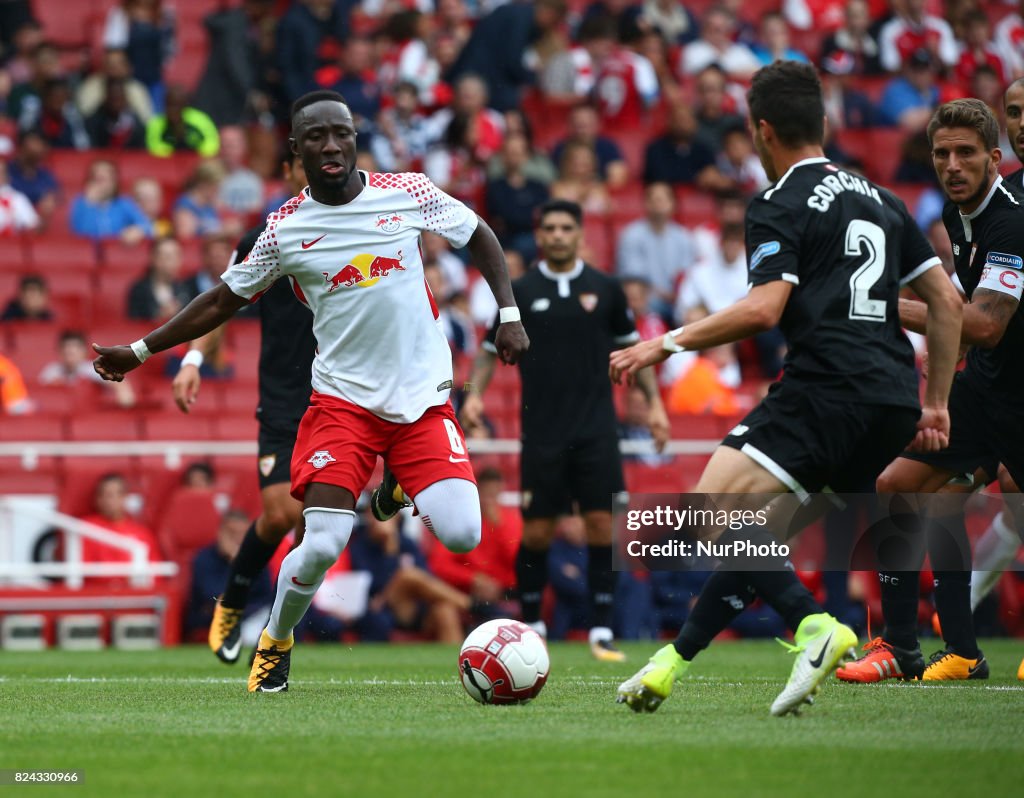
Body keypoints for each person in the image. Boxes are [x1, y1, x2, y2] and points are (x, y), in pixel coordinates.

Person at [93, 90, 529, 693]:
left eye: (341, 133)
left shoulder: (409, 192)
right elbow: (222, 300)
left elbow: (478, 232)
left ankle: (396, 484)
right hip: (342, 404)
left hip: (421, 400)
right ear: (296, 150)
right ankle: (275, 639)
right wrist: (142, 351)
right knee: (321, 541)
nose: (332, 145)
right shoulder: (285, 231)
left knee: (463, 534)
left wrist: (507, 310)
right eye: (317, 137)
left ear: (355, 138)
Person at [610, 61, 962, 716]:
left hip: (826, 389)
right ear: (823, 124)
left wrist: (665, 342)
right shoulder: (885, 199)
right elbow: (944, 303)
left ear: (762, 131)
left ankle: (815, 627)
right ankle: (670, 661)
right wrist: (936, 402)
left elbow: (763, 309)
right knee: (752, 538)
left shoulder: (779, 202)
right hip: (892, 402)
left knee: (711, 511)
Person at [838, 98, 1024, 683]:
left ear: (994, 158)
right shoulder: (953, 211)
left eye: (966, 153)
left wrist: (881, 305)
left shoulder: (1012, 220)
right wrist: (940, 392)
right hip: (988, 389)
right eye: (941, 154)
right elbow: (970, 324)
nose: (952, 164)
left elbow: (986, 324)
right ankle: (911, 649)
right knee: (899, 485)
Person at [460, 198, 670, 661]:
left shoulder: (607, 290)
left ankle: (600, 630)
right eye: (549, 227)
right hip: (542, 433)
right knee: (536, 532)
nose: (557, 235)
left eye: (565, 228)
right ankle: (531, 624)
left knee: (600, 526)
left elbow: (635, 350)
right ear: (540, 235)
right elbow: (485, 353)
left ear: (580, 235)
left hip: (598, 431)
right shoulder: (517, 291)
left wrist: (655, 405)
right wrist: (473, 392)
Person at [185, 509, 274, 644]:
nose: (237, 539)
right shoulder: (204, 558)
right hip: (215, 620)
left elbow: (266, 595)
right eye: (232, 533)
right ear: (220, 533)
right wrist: (236, 566)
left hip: (252, 616)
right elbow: (213, 596)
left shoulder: (256, 559)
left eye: (242, 534)